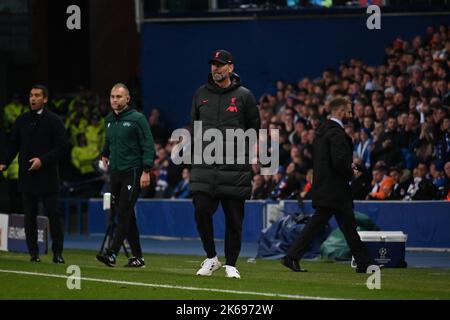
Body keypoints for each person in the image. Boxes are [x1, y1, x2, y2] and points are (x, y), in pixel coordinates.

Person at [190, 50, 260, 278]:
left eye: (220, 65)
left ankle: (231, 263)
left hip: (234, 169)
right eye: (213, 65)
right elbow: (195, 126)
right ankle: (211, 258)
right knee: (201, 210)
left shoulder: (244, 96)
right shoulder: (200, 94)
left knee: (234, 219)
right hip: (205, 167)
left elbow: (254, 129)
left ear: (230, 67)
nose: (216, 69)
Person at [281, 97, 370, 273]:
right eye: (348, 111)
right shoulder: (336, 133)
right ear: (339, 111)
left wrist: (346, 166)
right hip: (335, 190)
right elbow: (338, 162)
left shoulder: (322, 131)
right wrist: (351, 171)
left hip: (326, 188)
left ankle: (364, 263)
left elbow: (328, 161)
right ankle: (291, 257)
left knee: (345, 226)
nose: (351, 115)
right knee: (341, 226)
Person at [0, 85, 68, 263]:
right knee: (29, 216)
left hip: (48, 177)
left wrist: (42, 161)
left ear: (45, 99)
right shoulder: (21, 120)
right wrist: (4, 162)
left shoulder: (54, 120)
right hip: (28, 177)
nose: (33, 98)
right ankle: (33, 254)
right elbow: (13, 144)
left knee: (53, 213)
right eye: (31, 95)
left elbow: (62, 148)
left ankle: (57, 253)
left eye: (37, 95)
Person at [96, 83, 155, 268]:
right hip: (116, 172)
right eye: (113, 96)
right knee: (126, 215)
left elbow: (148, 144)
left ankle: (112, 253)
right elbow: (109, 139)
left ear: (127, 98)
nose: (115, 100)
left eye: (119, 97)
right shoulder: (108, 119)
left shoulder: (138, 119)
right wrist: (105, 153)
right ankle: (137, 257)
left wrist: (146, 171)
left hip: (134, 172)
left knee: (123, 212)